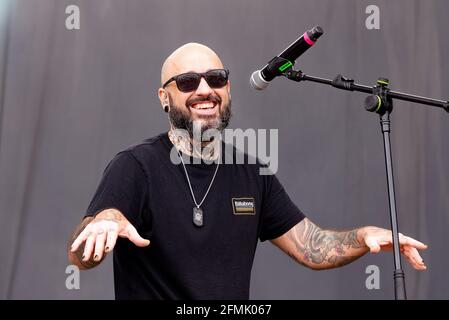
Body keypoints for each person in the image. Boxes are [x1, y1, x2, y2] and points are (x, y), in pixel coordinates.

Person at [68, 43, 427, 300]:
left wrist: (364, 236)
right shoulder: (136, 166)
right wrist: (104, 223)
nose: (205, 89)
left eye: (216, 78)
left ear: (228, 88)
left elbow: (312, 247)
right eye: (188, 81)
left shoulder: (252, 173)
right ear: (164, 97)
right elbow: (82, 253)